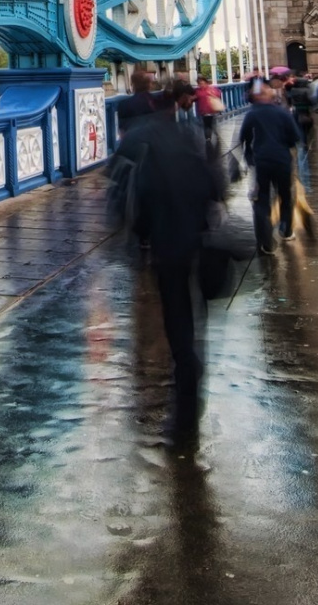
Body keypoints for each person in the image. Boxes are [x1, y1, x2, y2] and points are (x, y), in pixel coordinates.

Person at [123, 79, 227, 443]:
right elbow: (215, 185)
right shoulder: (193, 138)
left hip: (165, 245)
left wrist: (140, 237)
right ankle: (192, 370)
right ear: (179, 104)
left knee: (176, 311)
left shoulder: (145, 142)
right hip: (195, 238)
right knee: (196, 308)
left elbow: (139, 195)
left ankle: (185, 364)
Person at [240, 83, 301, 254]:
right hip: (282, 160)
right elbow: (294, 137)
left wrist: (250, 155)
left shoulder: (251, 115)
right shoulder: (282, 113)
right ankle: (286, 230)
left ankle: (265, 242)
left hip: (261, 163)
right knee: (285, 196)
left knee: (261, 200)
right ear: (270, 96)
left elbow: (243, 137)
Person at [117, 68, 157, 135]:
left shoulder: (123, 104)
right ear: (149, 85)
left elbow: (122, 131)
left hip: (133, 140)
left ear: (133, 85)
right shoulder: (157, 101)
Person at [195, 75, 224, 144]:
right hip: (203, 111)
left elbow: (218, 94)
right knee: (206, 125)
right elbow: (195, 98)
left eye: (202, 83)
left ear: (206, 83)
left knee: (212, 124)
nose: (201, 85)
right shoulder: (198, 91)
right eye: (200, 84)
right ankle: (208, 138)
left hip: (212, 110)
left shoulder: (211, 89)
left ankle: (214, 135)